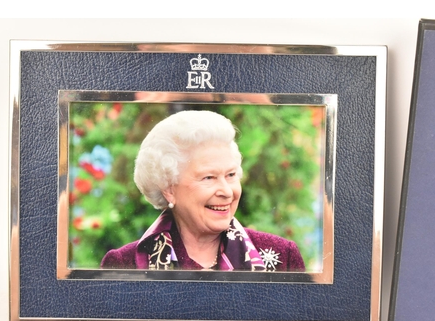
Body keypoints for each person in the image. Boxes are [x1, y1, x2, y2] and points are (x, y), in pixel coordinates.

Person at [101, 110, 305, 272]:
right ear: (169, 189)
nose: (227, 191)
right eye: (209, 178)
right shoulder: (125, 263)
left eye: (231, 175)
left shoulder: (282, 257)